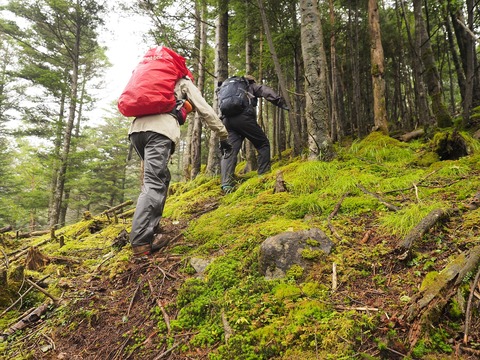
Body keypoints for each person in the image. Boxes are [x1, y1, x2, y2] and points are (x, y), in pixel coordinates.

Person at [128, 76, 232, 257]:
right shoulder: (182, 81)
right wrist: (223, 133)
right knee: (154, 182)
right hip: (159, 131)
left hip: (136, 132)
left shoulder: (150, 78)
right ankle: (141, 241)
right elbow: (204, 109)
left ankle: (150, 228)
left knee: (159, 179)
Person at [220, 75, 288, 193]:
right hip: (243, 118)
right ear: (251, 81)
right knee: (263, 144)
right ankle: (263, 175)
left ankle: (226, 184)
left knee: (229, 150)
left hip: (227, 120)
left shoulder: (227, 88)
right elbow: (265, 91)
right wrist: (281, 103)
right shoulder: (249, 85)